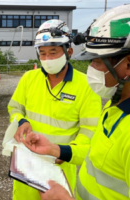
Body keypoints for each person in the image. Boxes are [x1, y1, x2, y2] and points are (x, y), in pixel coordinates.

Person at [21, 4, 130, 200]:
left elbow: (87, 136)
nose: (92, 69)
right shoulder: (114, 109)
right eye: (43, 53)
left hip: (61, 172)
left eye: (97, 61)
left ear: (128, 65)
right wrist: (56, 149)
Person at [8, 19, 102, 200]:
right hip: (26, 164)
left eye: (53, 52)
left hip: (60, 165)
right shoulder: (29, 78)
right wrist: (21, 121)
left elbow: (90, 131)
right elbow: (14, 107)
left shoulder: (86, 85)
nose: (47, 59)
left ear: (69, 51)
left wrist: (63, 152)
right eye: (42, 53)